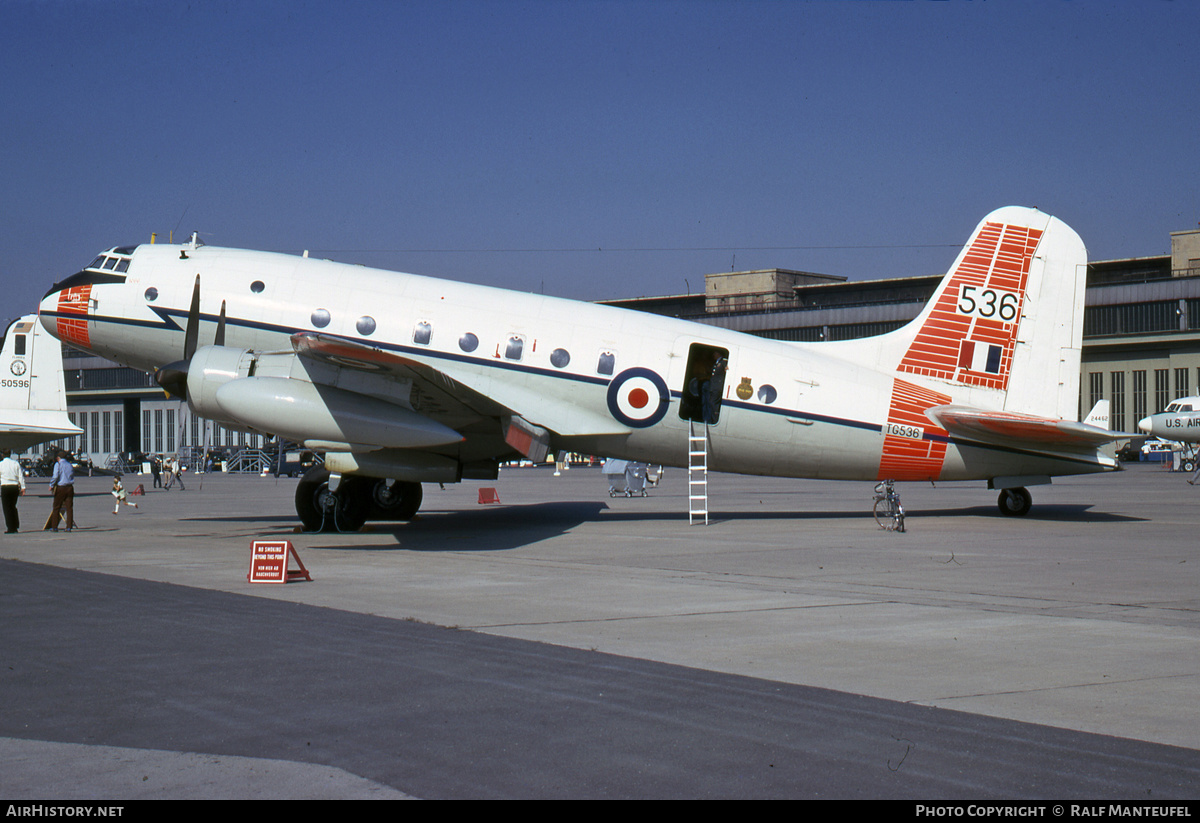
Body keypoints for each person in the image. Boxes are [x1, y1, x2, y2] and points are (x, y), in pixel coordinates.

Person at [47, 451, 77, 532]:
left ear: (58, 458)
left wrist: (51, 485)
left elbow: (55, 476)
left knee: (57, 507)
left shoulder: (58, 464)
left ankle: (54, 526)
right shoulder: (69, 464)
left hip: (61, 487)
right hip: (70, 487)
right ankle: (69, 527)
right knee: (69, 508)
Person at [0, 449, 25, 533]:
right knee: (13, 506)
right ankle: (15, 525)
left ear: (2, 455)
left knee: (7, 508)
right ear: (10, 454)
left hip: (5, 486)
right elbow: (20, 476)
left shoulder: (1, 464)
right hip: (14, 487)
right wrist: (23, 487)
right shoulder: (15, 463)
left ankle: (10, 528)